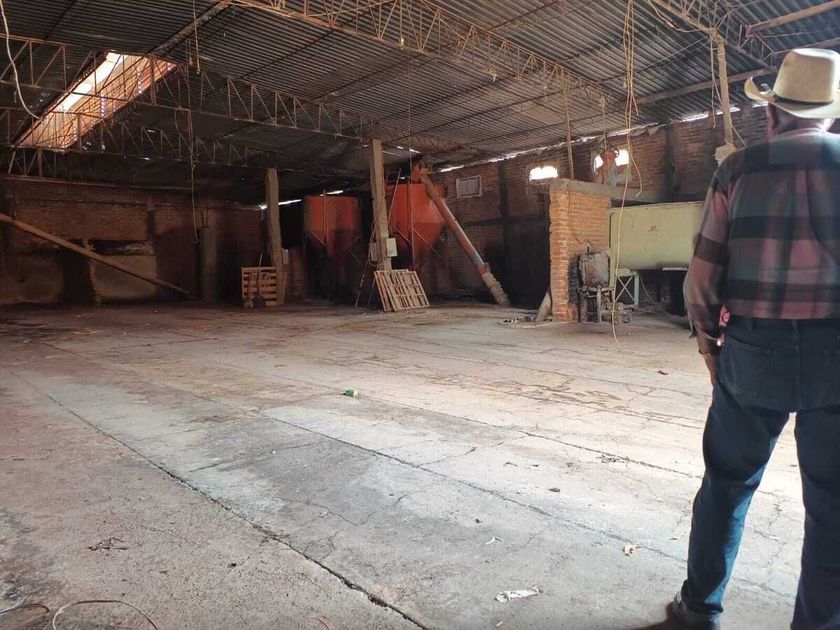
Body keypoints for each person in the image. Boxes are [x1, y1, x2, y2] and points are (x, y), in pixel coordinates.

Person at [673, 48, 840, 630]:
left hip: (752, 352)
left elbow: (701, 279)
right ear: (831, 115)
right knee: (834, 508)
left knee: (725, 487)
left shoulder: (737, 170)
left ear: (771, 112)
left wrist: (709, 347)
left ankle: (700, 610)